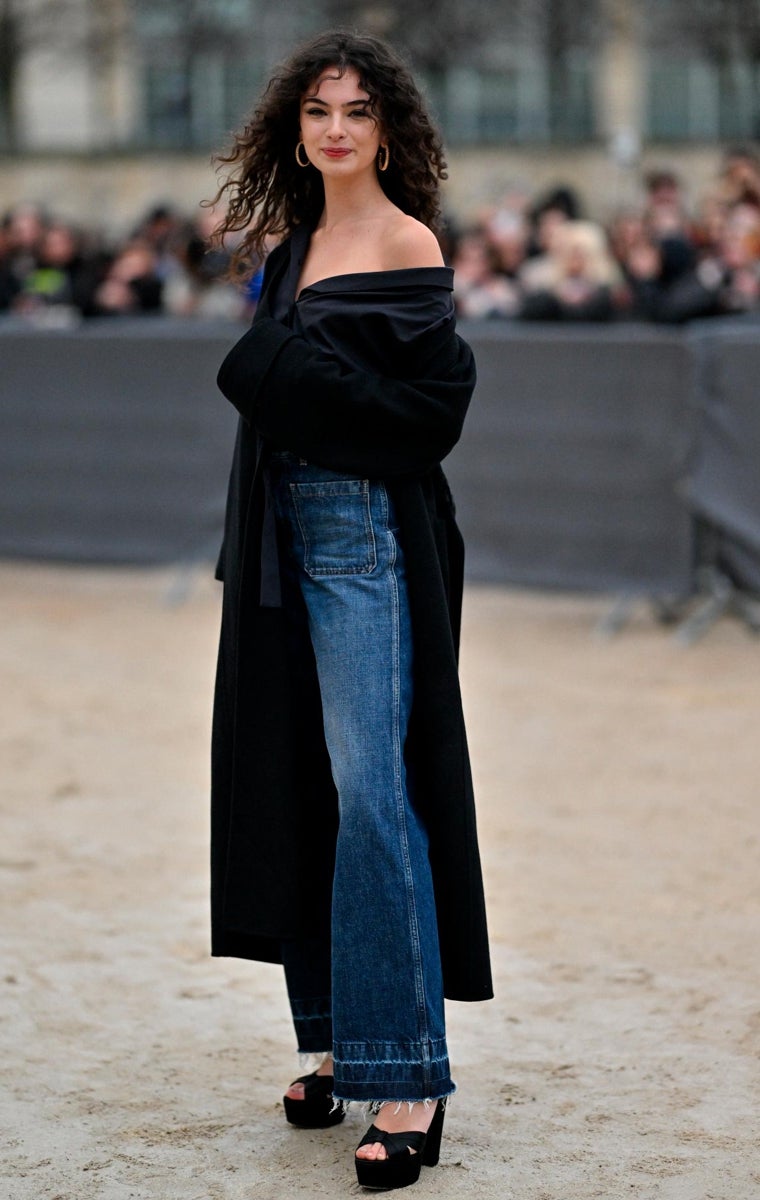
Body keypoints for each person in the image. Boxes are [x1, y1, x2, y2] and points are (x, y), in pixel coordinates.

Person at [207, 29, 492, 1191]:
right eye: (318, 111)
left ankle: (408, 1072)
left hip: (365, 538)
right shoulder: (291, 245)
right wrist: (268, 369)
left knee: (375, 793)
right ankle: (329, 1038)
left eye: (357, 112)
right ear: (295, 127)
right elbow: (281, 401)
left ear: (388, 130)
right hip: (277, 537)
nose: (335, 129)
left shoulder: (405, 240)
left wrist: (265, 366)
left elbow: (422, 417)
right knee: (297, 786)